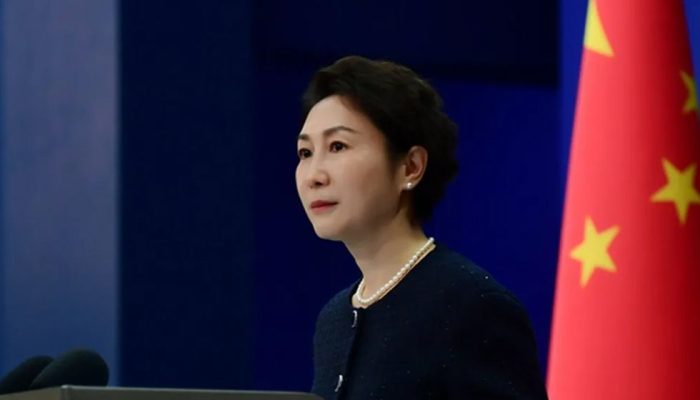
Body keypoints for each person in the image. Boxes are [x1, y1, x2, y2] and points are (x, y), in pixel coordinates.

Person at [295, 56, 548, 400]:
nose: (314, 175)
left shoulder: (471, 306)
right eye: (305, 153)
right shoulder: (334, 319)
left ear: (410, 167)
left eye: (338, 146)